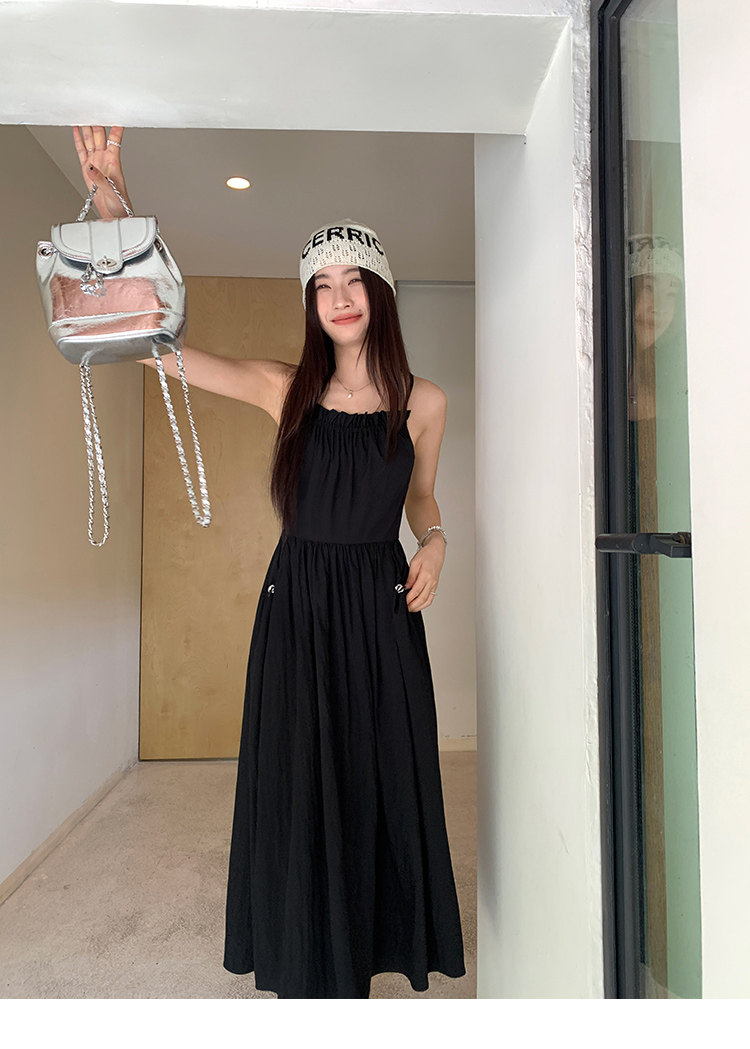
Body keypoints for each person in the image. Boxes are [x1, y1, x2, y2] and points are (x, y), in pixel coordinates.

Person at [73, 126, 466, 999]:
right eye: (322, 284)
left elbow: (421, 498)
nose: (339, 296)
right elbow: (158, 345)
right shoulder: (283, 387)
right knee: (301, 788)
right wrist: (112, 208)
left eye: (353, 279)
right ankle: (307, 970)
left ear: (379, 291)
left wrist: (438, 542)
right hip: (299, 610)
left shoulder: (425, 402)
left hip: (381, 611)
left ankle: (365, 955)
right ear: (310, 302)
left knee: (377, 786)